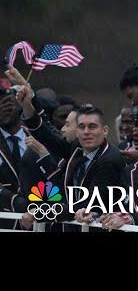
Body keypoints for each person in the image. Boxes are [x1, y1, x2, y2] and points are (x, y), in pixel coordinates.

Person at [17, 85, 125, 230]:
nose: (86, 132)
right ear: (77, 131)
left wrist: (39, 212)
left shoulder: (109, 160)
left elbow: (85, 205)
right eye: (82, 127)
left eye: (92, 127)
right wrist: (27, 106)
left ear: (105, 130)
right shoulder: (77, 147)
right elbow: (47, 136)